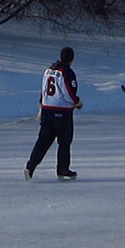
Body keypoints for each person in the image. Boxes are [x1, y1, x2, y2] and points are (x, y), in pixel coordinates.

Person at [25, 46, 83, 180]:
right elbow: (68, 92)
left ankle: (30, 166)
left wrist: (42, 106)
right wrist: (77, 102)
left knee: (43, 141)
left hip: (47, 110)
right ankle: (62, 169)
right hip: (62, 113)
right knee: (64, 141)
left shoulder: (48, 70)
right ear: (71, 59)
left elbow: (43, 90)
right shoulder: (67, 72)